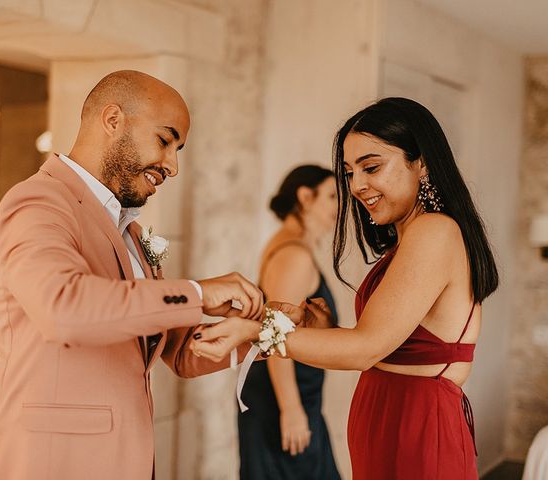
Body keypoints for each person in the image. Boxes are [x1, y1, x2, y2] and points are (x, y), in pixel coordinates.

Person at [0, 70, 264, 480]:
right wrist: (198, 292)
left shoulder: (131, 231)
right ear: (112, 121)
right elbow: (63, 308)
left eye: (178, 149)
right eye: (165, 140)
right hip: (49, 463)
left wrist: (266, 333)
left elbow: (176, 352)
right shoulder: (38, 201)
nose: (173, 166)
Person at [191, 97, 499, 480]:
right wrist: (325, 334)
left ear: (421, 163)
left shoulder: (434, 231)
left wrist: (257, 331)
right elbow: (382, 349)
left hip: (416, 426)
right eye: (350, 173)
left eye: (371, 167)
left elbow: (365, 348)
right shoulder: (409, 239)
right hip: (390, 417)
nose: (356, 186)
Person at [238, 165, 341, 479]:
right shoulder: (294, 255)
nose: (339, 206)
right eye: (332, 196)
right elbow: (274, 333)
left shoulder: (291, 245)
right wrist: (292, 411)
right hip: (283, 397)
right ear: (305, 197)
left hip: (294, 394)